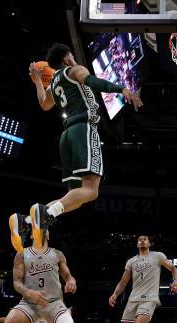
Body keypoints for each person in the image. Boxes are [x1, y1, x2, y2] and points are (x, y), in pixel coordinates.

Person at [20, 43, 143, 249]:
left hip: (66, 136)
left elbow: (44, 104)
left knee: (74, 198)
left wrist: (37, 82)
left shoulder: (54, 83)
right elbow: (93, 81)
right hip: (83, 129)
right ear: (67, 59)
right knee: (92, 191)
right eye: (72, 55)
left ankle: (25, 222)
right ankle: (45, 214)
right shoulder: (74, 70)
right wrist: (121, 89)